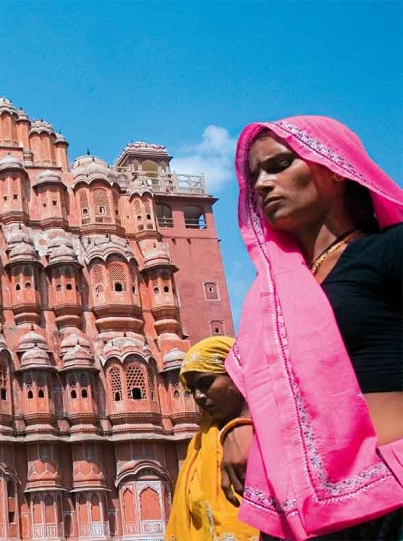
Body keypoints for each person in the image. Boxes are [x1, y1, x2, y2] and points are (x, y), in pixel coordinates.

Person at [228, 115, 403, 539]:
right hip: (298, 511)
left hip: (389, 497)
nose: (263, 184)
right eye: (254, 177)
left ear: (332, 167)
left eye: (279, 165)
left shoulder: (389, 250)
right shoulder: (272, 290)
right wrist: (241, 424)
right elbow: (269, 377)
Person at [165, 336, 259, 540]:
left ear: (237, 374)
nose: (198, 396)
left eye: (206, 383)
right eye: (192, 390)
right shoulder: (199, 447)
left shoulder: (273, 433)